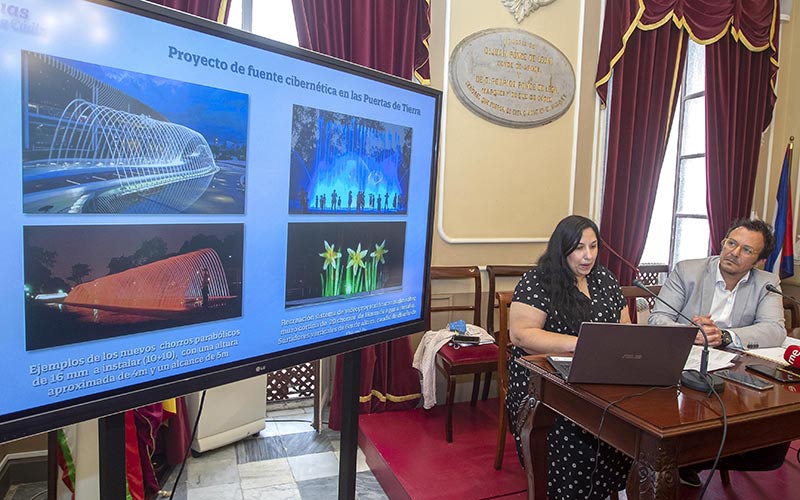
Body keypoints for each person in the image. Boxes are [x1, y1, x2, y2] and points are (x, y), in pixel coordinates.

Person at [648, 218, 788, 487]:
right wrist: (691, 331)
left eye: (746, 250)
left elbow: (774, 329)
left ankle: (697, 458)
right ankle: (685, 457)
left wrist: (725, 336)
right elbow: (658, 318)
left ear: (758, 261)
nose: (733, 253)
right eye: (731, 243)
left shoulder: (767, 282)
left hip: (734, 370)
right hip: (686, 368)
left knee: (770, 441)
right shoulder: (689, 271)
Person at [507, 215, 632, 500]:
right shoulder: (539, 280)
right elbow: (522, 335)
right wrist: (582, 345)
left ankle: (617, 490)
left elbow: (625, 328)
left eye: (593, 246)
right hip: (544, 385)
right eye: (578, 248)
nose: (588, 256)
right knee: (576, 435)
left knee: (631, 426)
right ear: (561, 248)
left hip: (602, 378)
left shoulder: (605, 279)